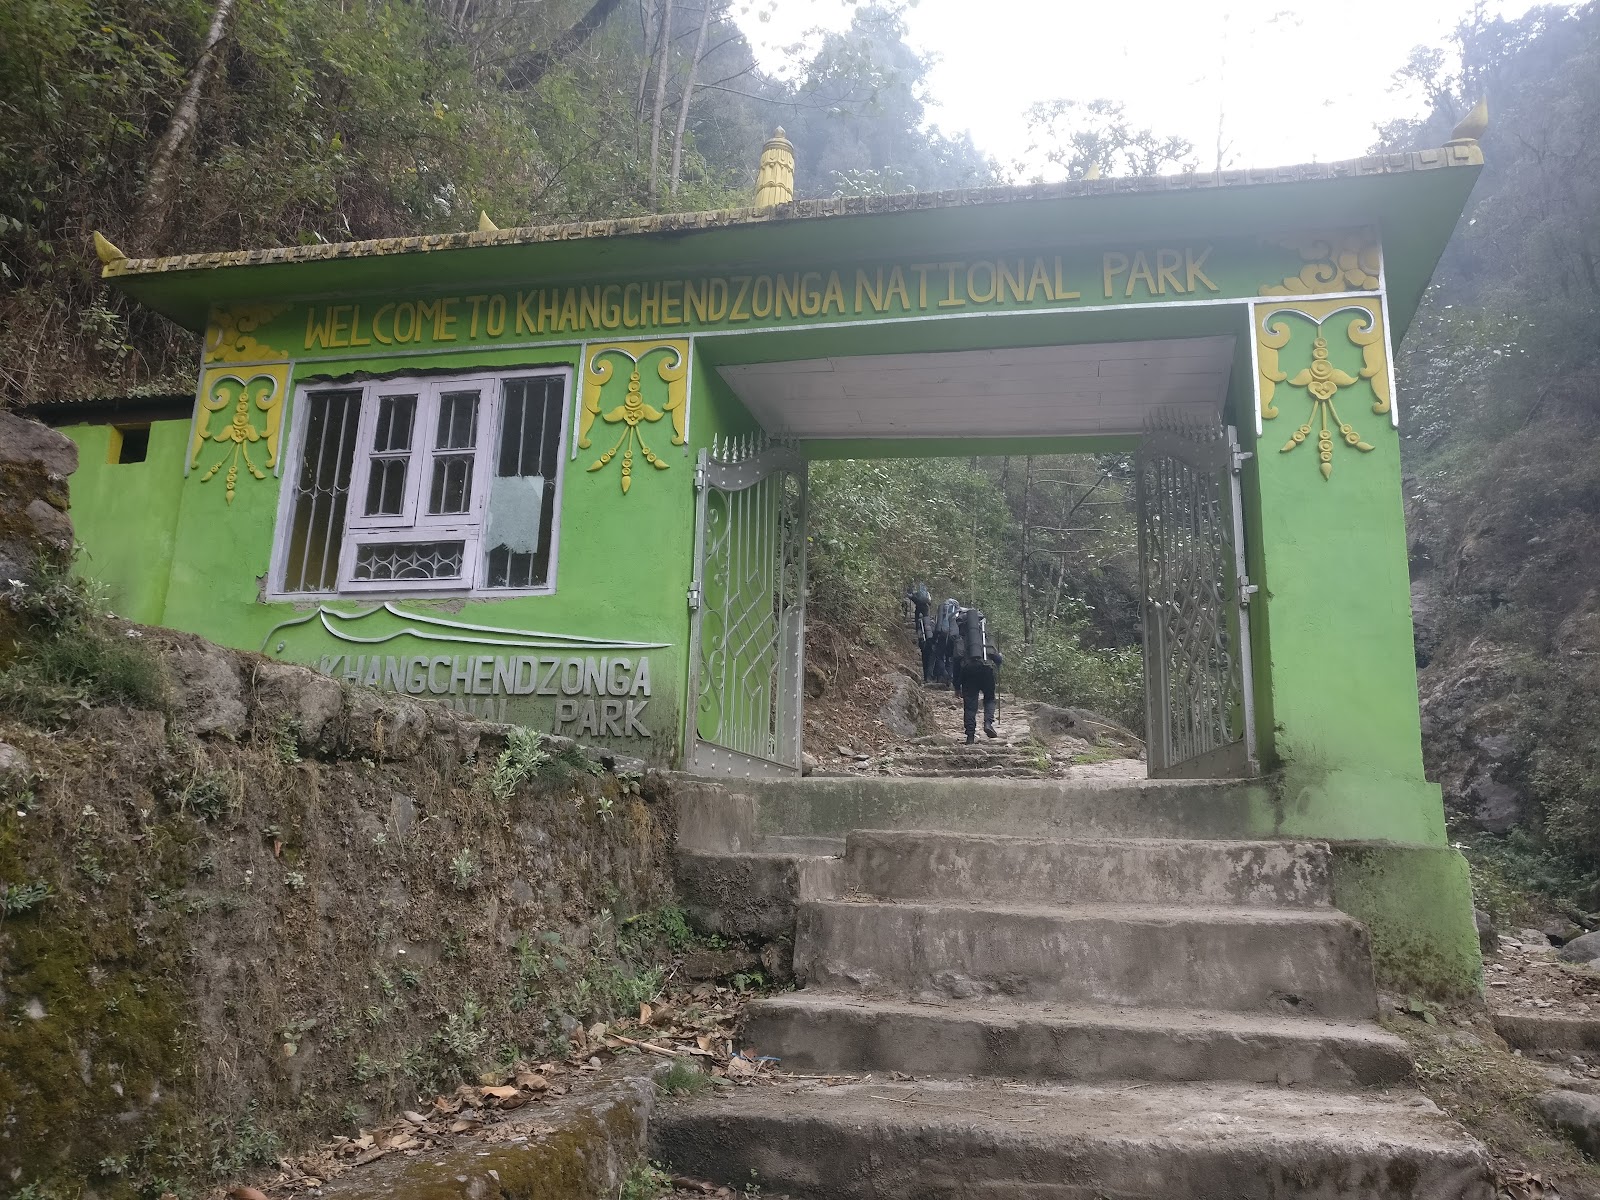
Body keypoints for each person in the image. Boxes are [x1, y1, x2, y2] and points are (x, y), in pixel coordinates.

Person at [953, 606, 1003, 744]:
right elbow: (997, 658)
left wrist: (957, 686)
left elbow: (956, 663)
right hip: (986, 670)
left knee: (970, 705)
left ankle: (970, 736)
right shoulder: (983, 637)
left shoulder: (960, 640)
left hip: (968, 673)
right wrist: (1000, 659)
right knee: (990, 698)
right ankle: (988, 723)